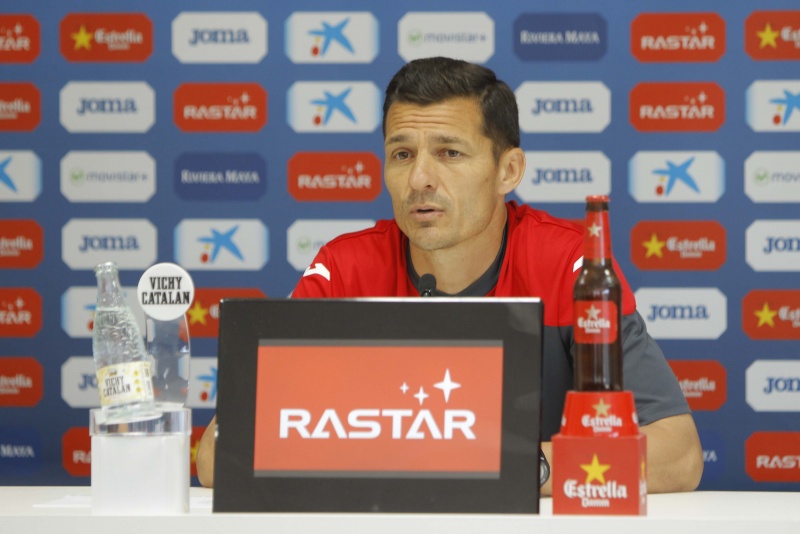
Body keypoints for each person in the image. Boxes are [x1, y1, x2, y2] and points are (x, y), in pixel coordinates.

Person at [197, 57, 703, 493]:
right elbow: (219, 456)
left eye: (449, 153)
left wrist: (511, 468)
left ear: (508, 171)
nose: (419, 179)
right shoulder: (344, 270)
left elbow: (678, 454)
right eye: (402, 155)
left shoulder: (569, 264)